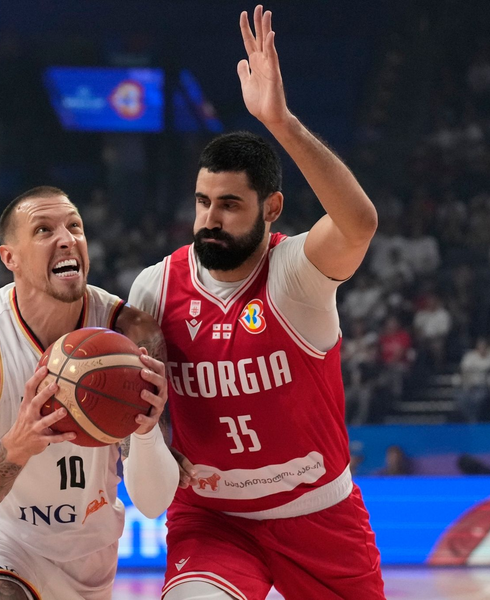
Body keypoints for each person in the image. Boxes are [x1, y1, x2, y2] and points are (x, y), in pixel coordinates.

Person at [129, 6, 384, 598]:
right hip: (213, 520)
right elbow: (140, 415)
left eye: (230, 205)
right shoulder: (155, 288)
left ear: (271, 208)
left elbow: (359, 223)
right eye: (203, 202)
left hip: (319, 513)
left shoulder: (294, 272)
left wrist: (281, 123)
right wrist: (152, 441)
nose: (210, 219)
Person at [0, 186, 179, 600]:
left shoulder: (131, 335)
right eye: (44, 230)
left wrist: (147, 433)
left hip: (87, 548)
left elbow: (153, 504)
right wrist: (17, 444)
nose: (66, 239)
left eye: (74, 226)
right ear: (10, 257)